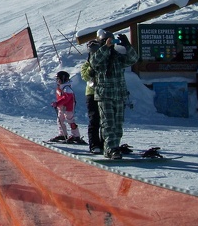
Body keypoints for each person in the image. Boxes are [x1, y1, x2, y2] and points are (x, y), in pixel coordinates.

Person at [89, 30, 139, 159]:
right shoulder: (97, 54)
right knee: (108, 123)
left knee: (118, 124)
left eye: (112, 41)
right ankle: (111, 149)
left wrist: (127, 45)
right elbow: (94, 62)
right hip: (105, 94)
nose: (111, 43)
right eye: (107, 40)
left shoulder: (117, 57)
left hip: (119, 94)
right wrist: (106, 47)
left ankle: (114, 147)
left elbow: (133, 59)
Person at [48, 71, 84, 144]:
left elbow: (65, 98)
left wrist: (57, 103)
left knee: (70, 121)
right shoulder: (60, 87)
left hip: (68, 108)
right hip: (61, 108)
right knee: (60, 120)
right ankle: (62, 134)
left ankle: (76, 136)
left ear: (63, 79)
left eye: (58, 79)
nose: (57, 81)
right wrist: (58, 104)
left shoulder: (67, 88)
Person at [81, 41, 104, 154]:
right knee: (94, 119)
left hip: (104, 93)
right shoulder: (87, 64)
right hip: (91, 94)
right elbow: (85, 76)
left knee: (105, 119)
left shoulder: (103, 62)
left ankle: (105, 143)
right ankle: (94, 144)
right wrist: (91, 66)